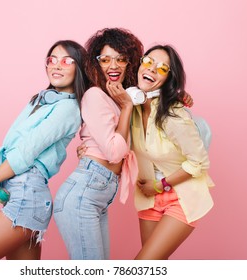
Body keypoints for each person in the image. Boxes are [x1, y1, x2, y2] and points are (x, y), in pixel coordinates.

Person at [0, 40, 89, 260]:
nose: (56, 65)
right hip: (18, 193)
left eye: (66, 60)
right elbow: (11, 147)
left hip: (27, 197)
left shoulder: (69, 108)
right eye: (51, 59)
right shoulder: (43, 100)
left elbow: (25, 152)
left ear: (79, 67)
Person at [53, 28, 143, 260]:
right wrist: (126, 108)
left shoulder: (119, 98)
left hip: (96, 198)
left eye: (120, 59)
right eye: (105, 59)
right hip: (82, 195)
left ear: (130, 63)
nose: (113, 65)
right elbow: (114, 152)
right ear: (96, 64)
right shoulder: (95, 95)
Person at [132, 44, 214, 259]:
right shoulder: (131, 108)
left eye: (162, 68)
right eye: (148, 61)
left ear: (169, 79)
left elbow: (199, 162)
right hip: (148, 198)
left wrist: (159, 186)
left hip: (181, 197)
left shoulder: (173, 115)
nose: (151, 68)